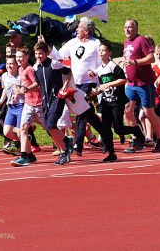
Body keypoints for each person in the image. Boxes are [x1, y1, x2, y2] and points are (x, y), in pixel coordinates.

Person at [44, 17, 103, 156]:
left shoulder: (96, 44)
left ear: (87, 31)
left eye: (79, 27)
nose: (76, 29)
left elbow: (102, 63)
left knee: (81, 113)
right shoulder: (72, 43)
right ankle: (105, 134)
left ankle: (78, 145)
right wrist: (47, 48)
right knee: (87, 114)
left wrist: (98, 84)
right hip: (75, 84)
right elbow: (59, 55)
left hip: (89, 83)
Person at [90, 42, 146, 162]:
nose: (101, 53)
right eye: (99, 51)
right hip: (106, 102)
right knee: (105, 128)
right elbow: (103, 87)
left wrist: (109, 84)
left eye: (103, 50)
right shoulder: (99, 69)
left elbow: (123, 79)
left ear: (109, 52)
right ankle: (111, 153)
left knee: (118, 129)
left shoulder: (112, 66)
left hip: (117, 101)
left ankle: (136, 130)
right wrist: (96, 91)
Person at [122, 18, 160, 153]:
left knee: (148, 112)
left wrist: (135, 62)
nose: (127, 30)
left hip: (144, 84)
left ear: (136, 29)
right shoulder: (126, 43)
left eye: (130, 27)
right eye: (125, 27)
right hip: (131, 84)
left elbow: (151, 58)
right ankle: (137, 138)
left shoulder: (141, 40)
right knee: (127, 111)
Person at [33, 41, 74, 165]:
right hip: (45, 101)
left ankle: (65, 150)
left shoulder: (54, 64)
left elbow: (68, 73)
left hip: (57, 98)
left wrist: (65, 87)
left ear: (46, 53)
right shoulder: (36, 67)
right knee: (48, 128)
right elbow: (38, 83)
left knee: (51, 125)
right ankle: (66, 141)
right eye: (36, 54)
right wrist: (26, 89)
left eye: (40, 53)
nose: (38, 56)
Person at [9, 46, 44, 166]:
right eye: (17, 57)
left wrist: (26, 89)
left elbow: (38, 84)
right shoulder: (20, 69)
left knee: (49, 127)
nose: (19, 59)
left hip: (38, 103)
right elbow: (23, 86)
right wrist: (17, 94)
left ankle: (66, 141)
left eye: (21, 57)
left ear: (27, 57)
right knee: (23, 128)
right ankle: (26, 156)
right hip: (28, 103)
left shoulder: (29, 69)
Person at [0, 55, 24, 156]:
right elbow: (5, 90)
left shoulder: (21, 76)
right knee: (7, 132)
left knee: (21, 131)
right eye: (7, 63)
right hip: (10, 107)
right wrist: (1, 100)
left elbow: (26, 90)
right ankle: (24, 140)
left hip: (21, 106)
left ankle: (24, 151)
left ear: (17, 65)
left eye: (12, 63)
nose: (9, 65)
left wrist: (18, 94)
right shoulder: (4, 76)